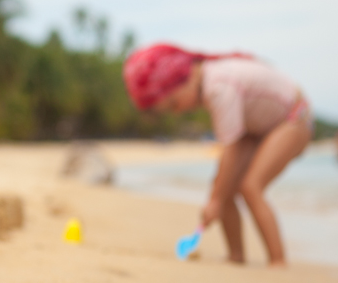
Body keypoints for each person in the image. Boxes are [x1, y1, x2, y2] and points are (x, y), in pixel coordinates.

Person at [123, 44, 313, 266]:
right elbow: (229, 155)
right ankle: (236, 256)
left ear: (185, 78)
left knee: (250, 186)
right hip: (257, 127)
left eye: (173, 103)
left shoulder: (218, 87)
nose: (176, 112)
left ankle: (278, 260)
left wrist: (214, 201)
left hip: (293, 117)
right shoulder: (209, 82)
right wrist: (217, 195)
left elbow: (230, 147)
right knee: (224, 186)